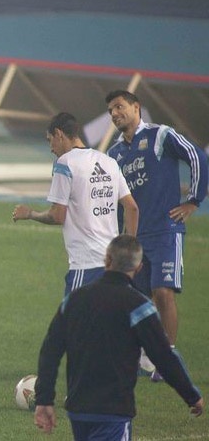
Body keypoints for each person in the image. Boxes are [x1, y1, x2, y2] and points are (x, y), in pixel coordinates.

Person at [34, 234, 203, 439]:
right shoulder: (139, 306)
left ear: (107, 260)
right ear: (139, 268)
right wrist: (191, 395)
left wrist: (44, 399)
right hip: (113, 412)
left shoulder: (75, 299)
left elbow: (50, 351)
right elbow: (163, 356)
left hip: (78, 410)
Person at [106, 90, 208, 380]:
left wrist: (194, 200)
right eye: (111, 111)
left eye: (119, 107)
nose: (114, 114)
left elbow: (196, 156)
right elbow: (114, 199)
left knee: (163, 292)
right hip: (135, 238)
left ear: (136, 107)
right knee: (138, 299)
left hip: (165, 230)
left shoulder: (160, 135)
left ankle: (167, 359)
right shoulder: (114, 154)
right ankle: (145, 356)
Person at [12, 112, 138, 295]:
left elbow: (57, 216)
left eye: (50, 140)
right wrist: (129, 253)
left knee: (72, 313)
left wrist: (30, 214)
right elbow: (132, 207)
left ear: (59, 134)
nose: (51, 148)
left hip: (86, 266)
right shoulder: (109, 162)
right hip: (114, 265)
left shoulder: (65, 163)